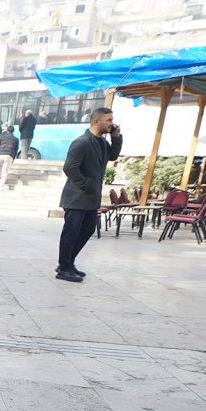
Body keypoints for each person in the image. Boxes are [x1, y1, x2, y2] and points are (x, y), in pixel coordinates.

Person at [57, 107, 122, 283]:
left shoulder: (101, 142)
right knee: (71, 233)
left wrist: (116, 138)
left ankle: (68, 263)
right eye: (108, 120)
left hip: (90, 198)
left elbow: (113, 156)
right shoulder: (82, 142)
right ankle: (64, 267)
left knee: (87, 230)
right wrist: (87, 185)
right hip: (77, 197)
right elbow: (70, 168)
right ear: (96, 121)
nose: (112, 123)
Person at [0, 124, 18, 189]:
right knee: (5, 171)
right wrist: (13, 157)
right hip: (8, 155)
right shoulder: (15, 139)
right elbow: (16, 149)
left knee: (0, 169)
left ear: (7, 130)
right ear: (13, 131)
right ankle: (0, 186)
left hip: (0, 155)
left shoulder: (1, 137)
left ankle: (0, 180)